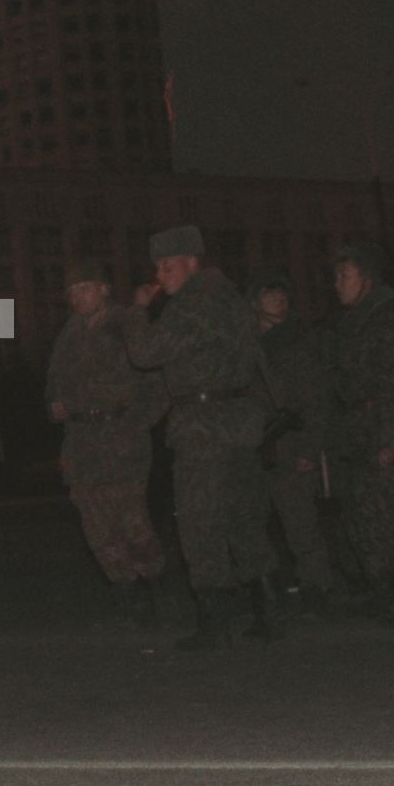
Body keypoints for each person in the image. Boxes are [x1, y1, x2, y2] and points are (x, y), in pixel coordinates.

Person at [118, 225, 280, 649]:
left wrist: (137, 311)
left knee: (199, 522)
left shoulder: (193, 302)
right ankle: (269, 610)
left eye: (168, 265)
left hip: (203, 427)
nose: (161, 274)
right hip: (239, 422)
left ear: (192, 262)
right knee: (244, 515)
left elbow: (146, 353)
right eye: (157, 266)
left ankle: (214, 622)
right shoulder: (231, 298)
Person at [45, 259, 169, 621]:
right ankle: (127, 591)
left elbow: (157, 385)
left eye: (86, 287)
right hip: (82, 443)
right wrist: (53, 405)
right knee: (95, 524)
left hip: (121, 439)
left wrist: (135, 424)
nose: (79, 296)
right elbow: (53, 382)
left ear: (104, 289)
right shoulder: (67, 334)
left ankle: (156, 581)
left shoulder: (127, 322)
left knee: (133, 521)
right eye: (73, 291)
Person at [327, 242, 394, 623]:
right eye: (336, 275)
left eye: (346, 275)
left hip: (385, 430)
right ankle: (385, 591)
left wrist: (389, 439)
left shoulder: (390, 321)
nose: (337, 283)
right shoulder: (356, 322)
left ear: (367, 279)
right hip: (360, 430)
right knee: (366, 517)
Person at [249, 270, 338, 617]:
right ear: (255, 302)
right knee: (253, 525)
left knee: (301, 524)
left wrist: (308, 449)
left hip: (290, 443)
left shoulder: (300, 342)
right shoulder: (246, 344)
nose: (279, 300)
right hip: (255, 446)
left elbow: (317, 401)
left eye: (283, 294)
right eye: (271, 294)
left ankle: (316, 586)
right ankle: (265, 590)